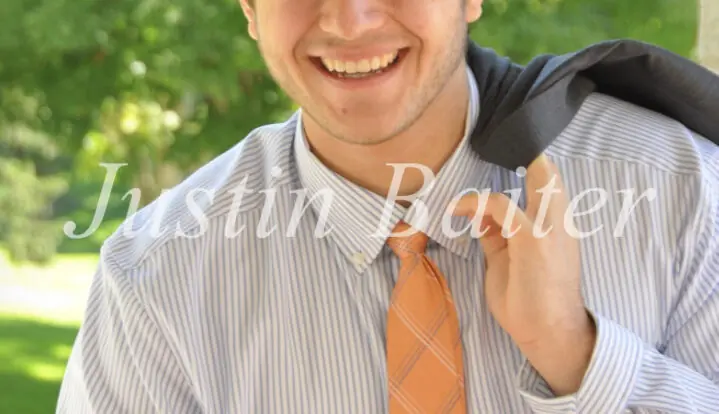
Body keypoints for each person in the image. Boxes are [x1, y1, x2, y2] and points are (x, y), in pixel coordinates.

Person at [57, 0, 719, 412]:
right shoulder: (154, 279)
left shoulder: (681, 188)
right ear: (249, 8)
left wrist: (576, 353)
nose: (350, 20)